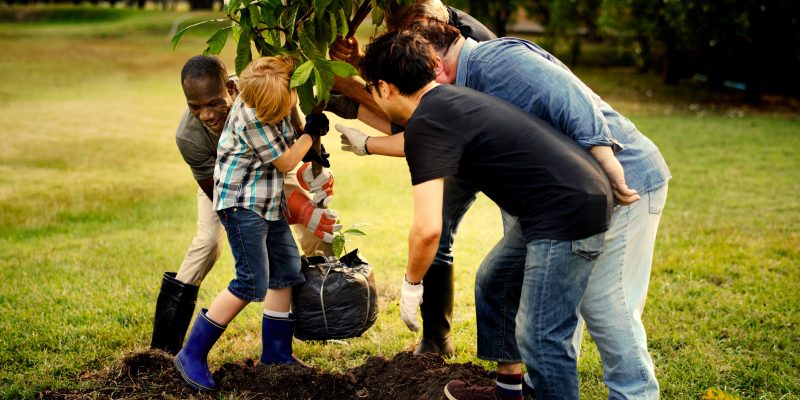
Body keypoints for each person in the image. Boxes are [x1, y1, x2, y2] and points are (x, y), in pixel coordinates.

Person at [342, 21, 672, 399]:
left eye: (372, 88)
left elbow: (428, 229)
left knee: (544, 334)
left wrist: (412, 284)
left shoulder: (485, 71)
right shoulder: (449, 101)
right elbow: (418, 140)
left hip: (568, 210)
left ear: (384, 88)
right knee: (496, 280)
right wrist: (366, 143)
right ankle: (508, 390)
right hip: (562, 200)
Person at [330, 0, 496, 357]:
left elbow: (424, 123)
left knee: (457, 240)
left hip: (495, 149)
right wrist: (361, 65)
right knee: (442, 232)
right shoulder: (428, 31)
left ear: (427, 25)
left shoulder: (468, 45)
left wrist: (351, 89)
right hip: (465, 139)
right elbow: (411, 102)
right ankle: (436, 340)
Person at [150, 55, 338, 356]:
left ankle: (312, 325)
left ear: (231, 87)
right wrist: (297, 206)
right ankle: (168, 348)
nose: (206, 115)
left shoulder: (261, 88)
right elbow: (223, 194)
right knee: (212, 245)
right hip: (229, 187)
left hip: (268, 172)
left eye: (213, 103)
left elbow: (291, 127)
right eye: (195, 107)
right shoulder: (192, 136)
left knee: (298, 251)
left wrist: (313, 163)